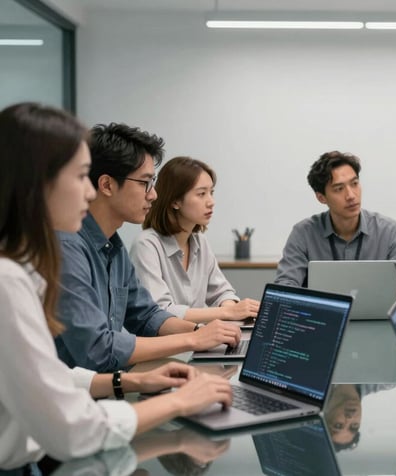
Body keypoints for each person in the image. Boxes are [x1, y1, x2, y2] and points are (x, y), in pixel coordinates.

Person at [0, 102, 232, 472]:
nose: (88, 193)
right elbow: (72, 427)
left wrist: (131, 381)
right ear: (38, 183)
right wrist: (180, 400)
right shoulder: (13, 277)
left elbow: (52, 375)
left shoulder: (27, 264)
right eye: (80, 177)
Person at [54, 123, 241, 373]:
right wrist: (193, 339)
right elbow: (96, 350)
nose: (153, 195)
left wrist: (202, 331)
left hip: (106, 386)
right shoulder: (67, 248)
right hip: (73, 400)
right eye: (145, 183)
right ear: (107, 185)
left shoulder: (114, 248)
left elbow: (147, 315)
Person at [130, 156, 260, 323]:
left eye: (211, 193)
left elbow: (222, 292)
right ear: (175, 201)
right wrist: (229, 313)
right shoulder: (146, 245)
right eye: (201, 194)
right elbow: (160, 311)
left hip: (198, 342)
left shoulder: (200, 241)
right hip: (167, 345)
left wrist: (234, 308)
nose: (211, 202)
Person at [275, 151, 396, 287]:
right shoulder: (303, 233)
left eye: (354, 184)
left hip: (377, 312)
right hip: (323, 311)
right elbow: (285, 286)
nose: (351, 195)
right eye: (339, 189)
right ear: (321, 197)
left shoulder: (388, 231)